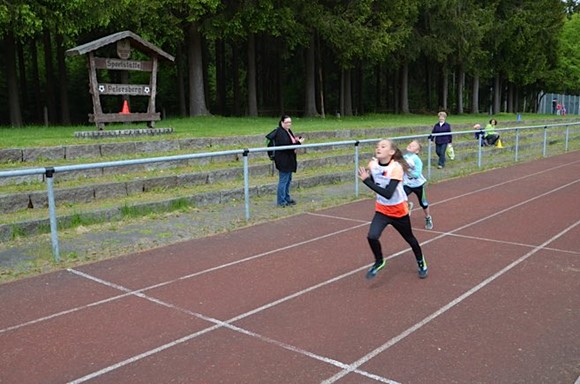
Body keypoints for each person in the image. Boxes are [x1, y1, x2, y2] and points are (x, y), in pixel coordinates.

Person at [358, 139, 428, 280]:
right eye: (377, 146)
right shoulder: (372, 164)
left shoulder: (396, 168)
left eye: (383, 146)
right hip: (382, 210)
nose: (378, 148)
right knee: (372, 236)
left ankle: (421, 262)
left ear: (391, 152)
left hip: (398, 211)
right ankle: (379, 261)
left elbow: (388, 193)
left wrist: (366, 181)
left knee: (410, 239)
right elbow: (374, 180)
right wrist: (368, 177)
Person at [266, 115, 305, 207]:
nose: (289, 124)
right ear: (282, 123)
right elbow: (286, 145)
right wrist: (298, 143)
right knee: (283, 180)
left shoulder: (287, 131)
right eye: (287, 122)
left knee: (288, 180)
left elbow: (289, 142)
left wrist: (296, 140)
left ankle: (286, 198)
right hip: (283, 160)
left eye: (290, 122)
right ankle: (281, 201)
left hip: (289, 159)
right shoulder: (280, 132)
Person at [403, 140, 433, 230]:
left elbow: (417, 174)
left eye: (413, 146)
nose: (410, 145)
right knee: (400, 197)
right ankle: (407, 206)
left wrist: (408, 171)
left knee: (423, 203)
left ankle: (428, 217)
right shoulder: (404, 157)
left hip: (418, 185)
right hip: (407, 183)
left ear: (417, 151)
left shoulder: (417, 160)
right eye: (410, 144)